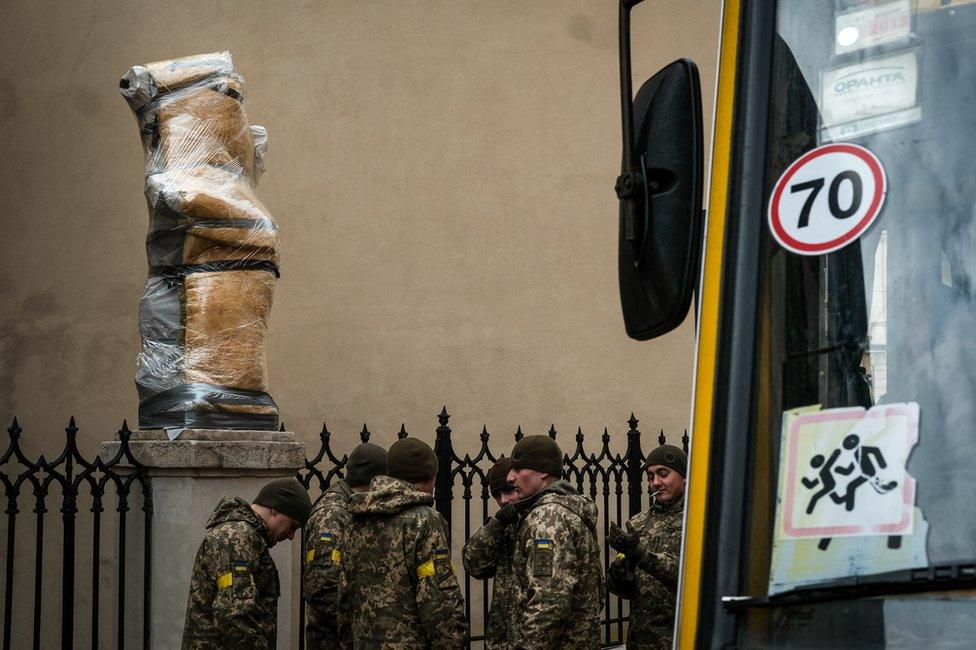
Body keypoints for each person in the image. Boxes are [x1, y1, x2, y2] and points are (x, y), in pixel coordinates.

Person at [338, 437, 468, 648]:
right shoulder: (423, 520)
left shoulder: (355, 517)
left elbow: (344, 593)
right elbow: (438, 600)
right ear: (429, 477)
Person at [182, 477, 311, 649]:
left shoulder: (248, 537)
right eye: (293, 526)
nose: (291, 536)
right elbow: (235, 615)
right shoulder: (237, 538)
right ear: (275, 509)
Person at [505, 435, 604, 649]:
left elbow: (548, 603)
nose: (510, 478)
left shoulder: (549, 518)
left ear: (543, 473)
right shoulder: (567, 511)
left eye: (519, 469)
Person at [303, 442, 387, 649]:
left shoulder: (354, 505)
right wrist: (361, 623)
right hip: (333, 641)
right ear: (376, 479)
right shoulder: (332, 514)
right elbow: (322, 588)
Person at [607, 444, 687, 650]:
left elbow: (688, 576)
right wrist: (619, 575)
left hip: (678, 638)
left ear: (684, 476)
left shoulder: (696, 519)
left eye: (663, 474)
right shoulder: (639, 522)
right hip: (640, 640)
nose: (656, 483)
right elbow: (626, 591)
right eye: (651, 476)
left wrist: (642, 555)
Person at [461, 457, 521, 649]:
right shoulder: (502, 527)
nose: (503, 500)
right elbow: (475, 566)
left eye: (509, 491)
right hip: (501, 639)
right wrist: (497, 524)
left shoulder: (544, 523)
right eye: (497, 494)